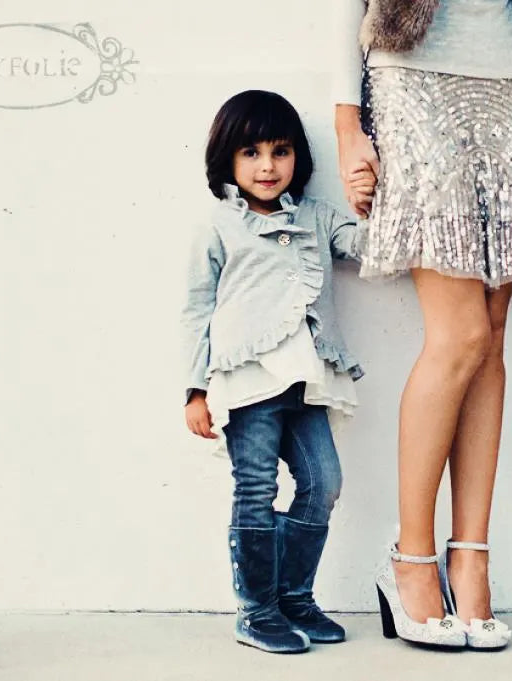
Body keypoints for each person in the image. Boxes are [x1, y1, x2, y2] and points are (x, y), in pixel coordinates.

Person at [332, 0, 512, 650]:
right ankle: (410, 558)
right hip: (412, 81)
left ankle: (470, 559)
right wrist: (347, 126)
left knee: (490, 336)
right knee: (460, 334)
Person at [181, 90, 365, 653]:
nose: (267, 166)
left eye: (280, 151)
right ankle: (257, 611)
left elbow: (365, 247)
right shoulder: (220, 225)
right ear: (228, 159)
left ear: (297, 157)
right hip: (247, 380)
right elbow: (197, 309)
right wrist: (194, 390)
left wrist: (377, 197)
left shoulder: (316, 216)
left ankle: (294, 598)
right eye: (252, 153)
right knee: (256, 487)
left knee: (323, 483)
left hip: (306, 378)